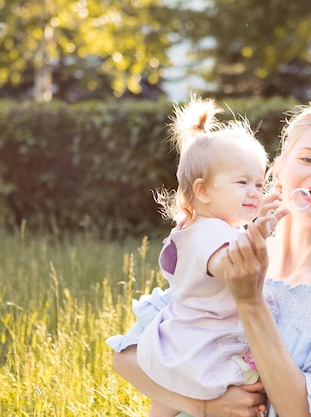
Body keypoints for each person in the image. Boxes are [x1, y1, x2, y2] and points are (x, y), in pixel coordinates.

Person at [112, 103, 311, 417]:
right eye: (307, 159)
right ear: (277, 173)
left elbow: (301, 412)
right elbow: (127, 356)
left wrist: (250, 302)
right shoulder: (232, 251)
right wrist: (206, 406)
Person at [107, 95, 285, 417]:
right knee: (254, 390)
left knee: (167, 398)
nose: (255, 192)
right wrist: (259, 233)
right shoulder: (212, 232)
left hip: (181, 342)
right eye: (242, 182)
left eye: (259, 183)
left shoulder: (193, 228)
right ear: (203, 191)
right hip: (207, 351)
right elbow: (229, 266)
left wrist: (259, 228)